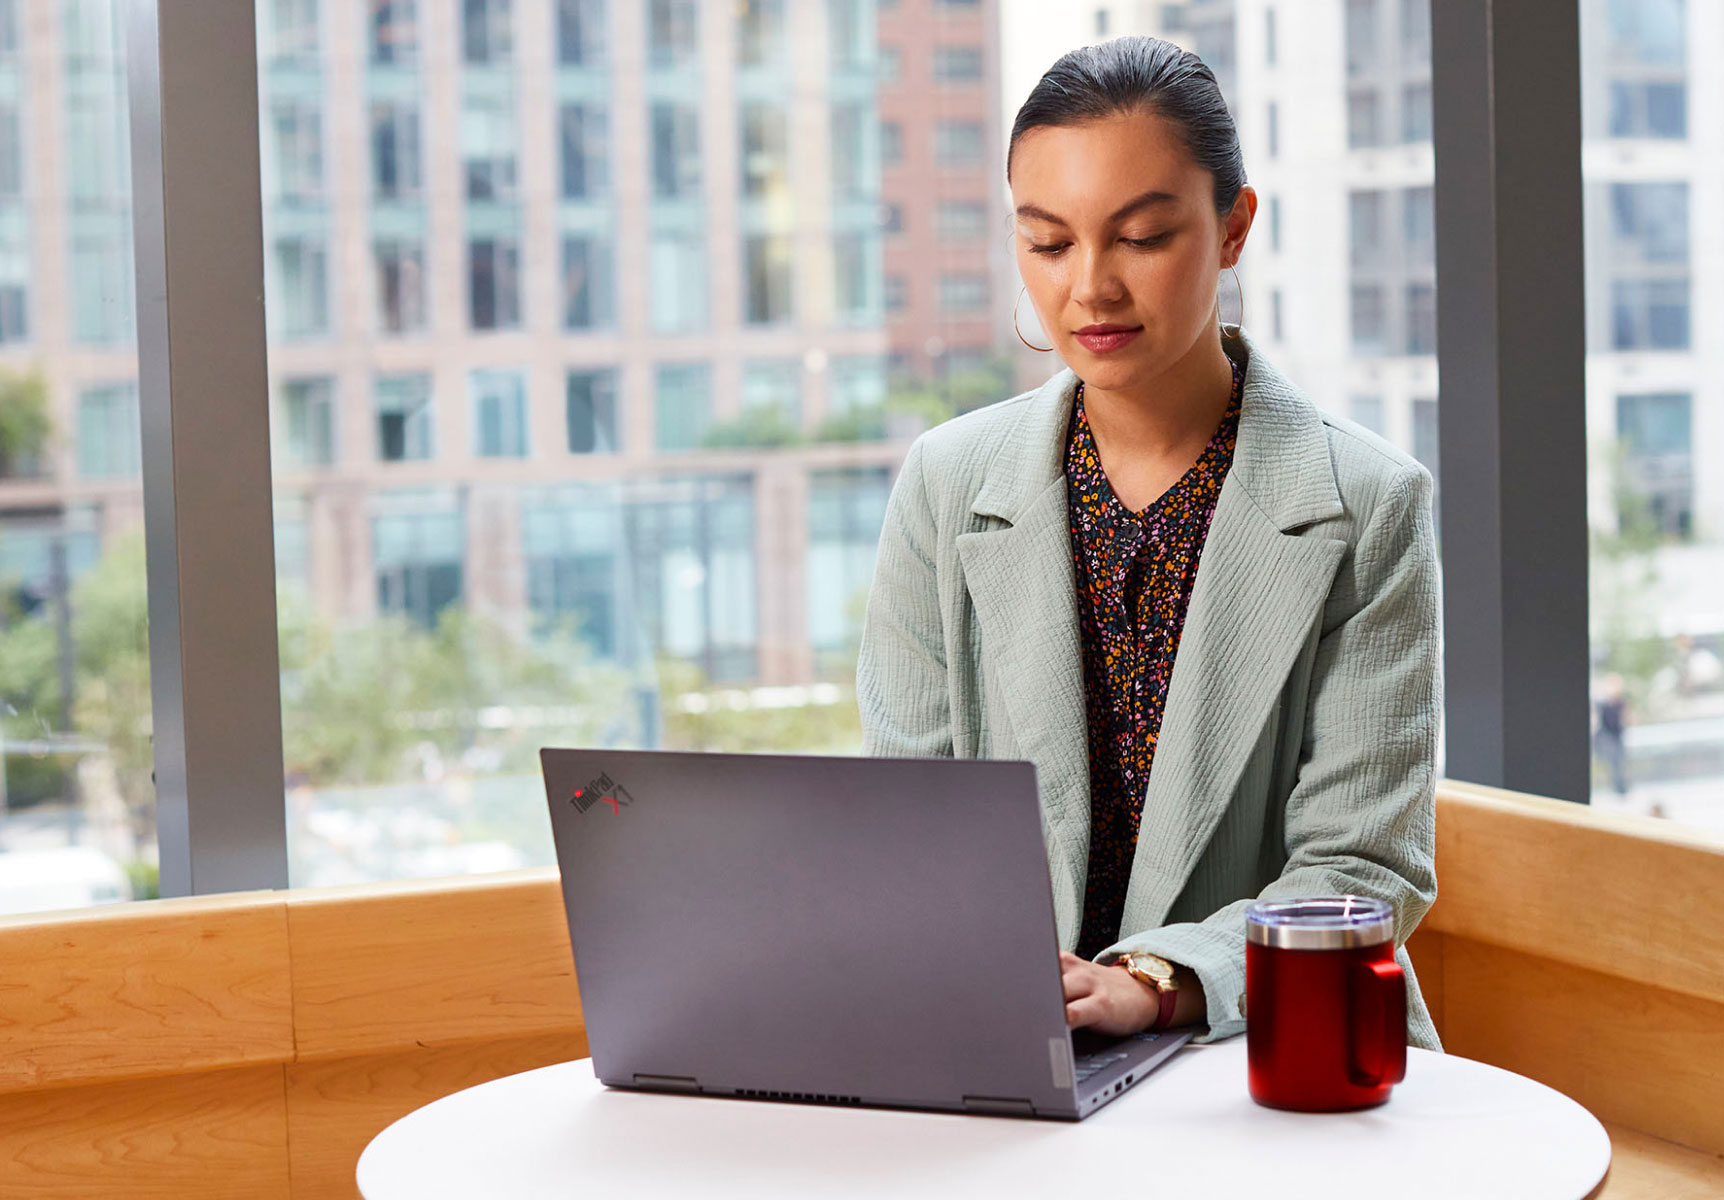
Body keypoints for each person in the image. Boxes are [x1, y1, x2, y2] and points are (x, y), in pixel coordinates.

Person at [856, 36, 1441, 1050]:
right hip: (1007, 1047)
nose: (1089, 288)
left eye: (1139, 236)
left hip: (1272, 1046)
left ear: (1230, 228)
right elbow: (908, 827)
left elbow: (1360, 873)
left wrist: (1155, 982)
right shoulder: (945, 485)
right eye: (1046, 243)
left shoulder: (1367, 504)